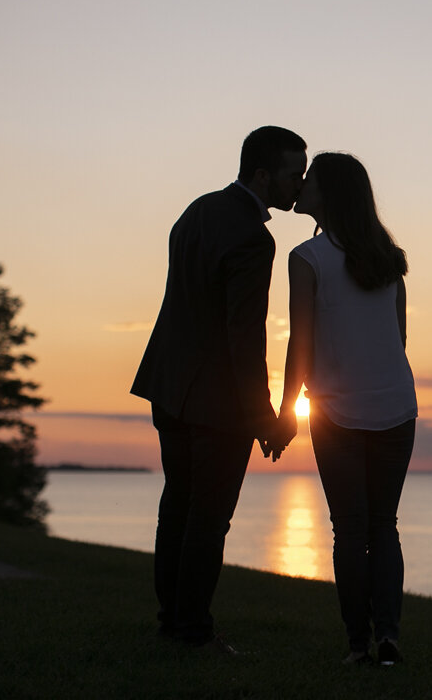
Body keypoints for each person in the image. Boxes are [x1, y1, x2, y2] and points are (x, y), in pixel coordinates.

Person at [130, 125, 306, 652]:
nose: (298, 185)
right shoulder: (255, 238)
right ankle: (193, 631)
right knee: (207, 519)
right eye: (292, 174)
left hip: (169, 384)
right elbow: (244, 336)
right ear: (261, 174)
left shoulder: (196, 211)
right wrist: (265, 417)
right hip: (215, 402)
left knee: (177, 508)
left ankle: (171, 620)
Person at [277, 152, 417, 666]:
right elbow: (399, 340)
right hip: (398, 407)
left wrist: (286, 412)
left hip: (336, 413)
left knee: (351, 530)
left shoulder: (306, 259)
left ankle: (358, 645)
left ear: (328, 195)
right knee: (384, 525)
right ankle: (389, 639)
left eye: (309, 180)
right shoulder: (389, 258)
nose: (301, 186)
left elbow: (301, 344)